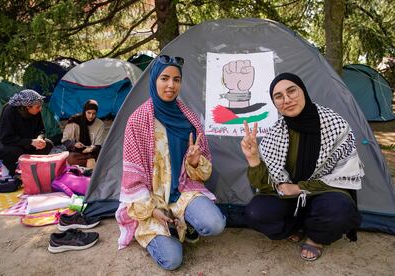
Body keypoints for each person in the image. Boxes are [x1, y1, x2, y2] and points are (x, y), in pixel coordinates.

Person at [115, 55, 226, 270]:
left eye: (176, 80)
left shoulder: (188, 118)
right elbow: (132, 179)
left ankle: (182, 223)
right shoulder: (138, 121)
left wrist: (194, 162)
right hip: (151, 199)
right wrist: (150, 210)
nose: (171, 85)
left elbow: (200, 175)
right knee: (172, 260)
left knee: (215, 224)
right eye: (164, 78)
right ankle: (160, 230)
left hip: (182, 191)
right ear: (154, 80)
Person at [241, 73, 363, 261]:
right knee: (256, 212)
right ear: (275, 103)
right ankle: (295, 226)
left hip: (325, 193)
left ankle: (316, 238)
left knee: (339, 210)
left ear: (303, 91)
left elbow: (346, 174)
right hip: (288, 198)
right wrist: (254, 159)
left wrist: (300, 188)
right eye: (279, 96)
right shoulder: (275, 134)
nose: (287, 100)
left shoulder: (335, 124)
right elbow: (266, 186)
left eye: (292, 91)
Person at [0, 89, 53, 176]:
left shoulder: (36, 112)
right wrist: (31, 142)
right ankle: (7, 169)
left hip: (23, 141)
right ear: (27, 106)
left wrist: (39, 138)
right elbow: (6, 138)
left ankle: (30, 168)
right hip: (0, 143)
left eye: (40, 106)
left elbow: (41, 130)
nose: (40, 109)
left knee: (47, 144)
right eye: (38, 107)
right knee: (16, 150)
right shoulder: (9, 111)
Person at [61, 99, 105, 167]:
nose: (91, 116)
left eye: (94, 114)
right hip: (77, 152)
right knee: (70, 158)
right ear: (84, 112)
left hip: (93, 153)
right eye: (89, 113)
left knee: (105, 156)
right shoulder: (74, 121)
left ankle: (90, 162)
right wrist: (75, 144)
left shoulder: (100, 124)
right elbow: (65, 141)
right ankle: (91, 162)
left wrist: (92, 148)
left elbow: (98, 145)